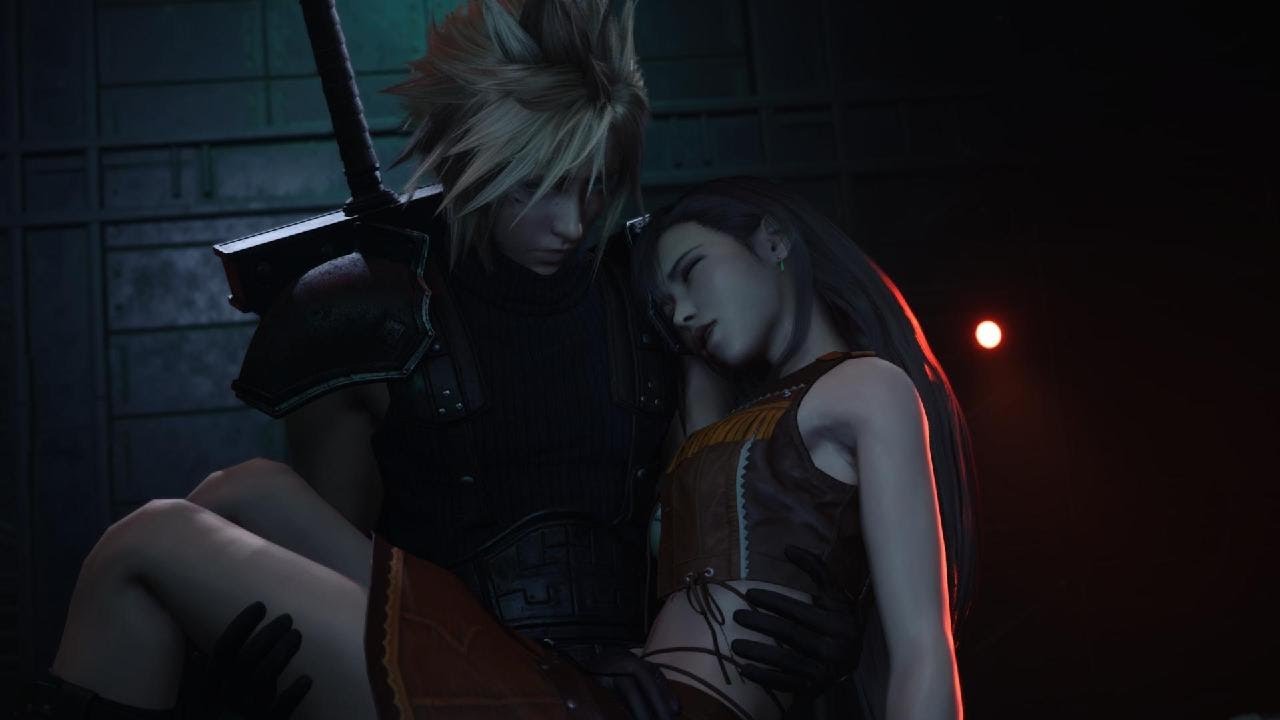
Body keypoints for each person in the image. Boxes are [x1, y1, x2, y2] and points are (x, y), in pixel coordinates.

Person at [26, 1, 860, 717]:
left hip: (611, 684)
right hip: (441, 654)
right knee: (240, 491)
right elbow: (333, 560)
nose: (574, 223)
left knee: (145, 542)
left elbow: (750, 490)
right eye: (535, 185)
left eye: (596, 184)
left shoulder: (652, 298)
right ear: (470, 163)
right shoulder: (377, 311)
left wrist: (831, 608)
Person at [627, 176, 978, 720]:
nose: (681, 315)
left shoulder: (866, 387)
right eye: (667, 305)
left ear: (773, 240)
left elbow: (922, 648)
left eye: (692, 271)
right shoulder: (716, 422)